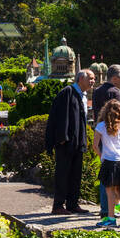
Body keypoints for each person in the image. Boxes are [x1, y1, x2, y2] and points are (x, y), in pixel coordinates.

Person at [45, 69, 92, 215]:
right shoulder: (68, 92)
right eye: (90, 78)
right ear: (80, 79)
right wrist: (62, 139)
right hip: (65, 143)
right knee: (63, 174)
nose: (93, 81)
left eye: (94, 79)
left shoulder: (82, 96)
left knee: (75, 175)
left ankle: (73, 204)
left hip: (78, 143)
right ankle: (58, 206)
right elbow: (59, 116)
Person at [91, 64, 120, 219]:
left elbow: (95, 113)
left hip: (101, 134)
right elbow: (118, 115)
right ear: (114, 78)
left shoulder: (97, 91)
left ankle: (105, 207)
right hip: (114, 137)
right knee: (117, 175)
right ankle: (113, 208)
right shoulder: (114, 92)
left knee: (104, 172)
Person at [93, 98, 120, 225]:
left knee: (109, 191)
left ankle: (110, 218)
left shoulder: (100, 126)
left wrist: (101, 156)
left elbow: (95, 145)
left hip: (109, 161)